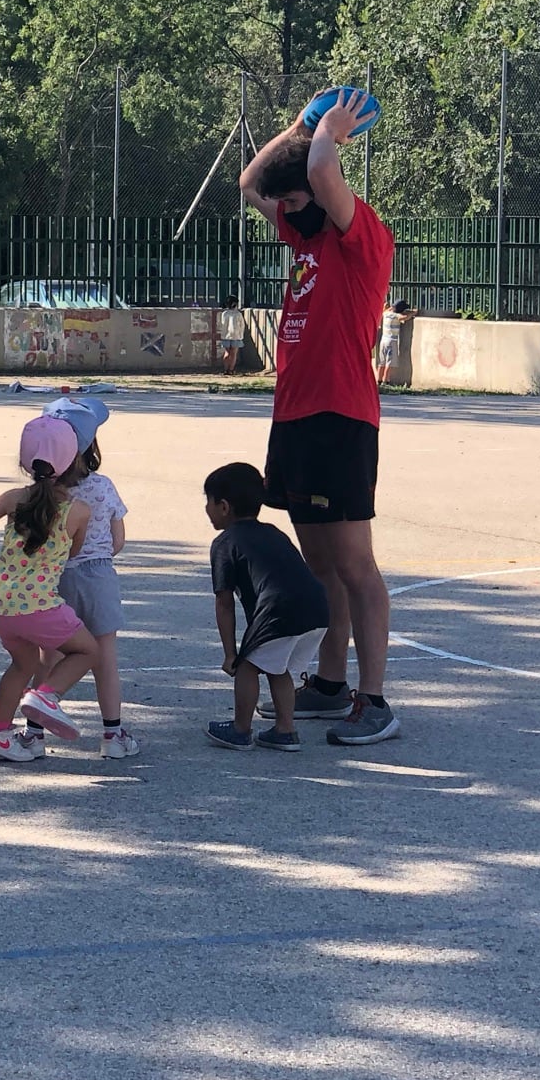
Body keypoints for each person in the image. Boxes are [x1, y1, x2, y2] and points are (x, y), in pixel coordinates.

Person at [240, 87, 400, 748]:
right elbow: (253, 182)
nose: (289, 210)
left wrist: (329, 133)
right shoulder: (303, 236)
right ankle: (330, 685)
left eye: (299, 201)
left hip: (341, 414)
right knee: (320, 564)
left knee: (356, 564)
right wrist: (300, 122)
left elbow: (320, 174)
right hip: (296, 415)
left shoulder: (361, 238)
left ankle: (376, 699)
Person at [0, 416, 100, 763]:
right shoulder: (78, 511)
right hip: (39, 606)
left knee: (21, 665)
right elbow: (74, 552)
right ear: (74, 462)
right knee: (88, 650)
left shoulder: (14, 499)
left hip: (1, 606)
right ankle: (47, 696)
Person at [202, 462, 331, 752]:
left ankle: (240, 730)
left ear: (223, 506)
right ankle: (284, 730)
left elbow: (223, 603)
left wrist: (231, 654)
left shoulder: (225, 542)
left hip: (279, 610)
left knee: (248, 666)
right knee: (277, 666)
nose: (206, 509)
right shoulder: (273, 532)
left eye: (207, 502)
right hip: (318, 607)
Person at [40, 396, 139, 760]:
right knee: (105, 657)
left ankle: (33, 732)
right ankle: (112, 734)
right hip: (96, 575)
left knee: (47, 654)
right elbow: (118, 541)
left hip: (51, 578)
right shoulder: (102, 486)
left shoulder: (44, 492)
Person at [375, 299, 413, 387]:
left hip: (383, 340)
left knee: (382, 362)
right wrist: (412, 313)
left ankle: (379, 381)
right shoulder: (396, 316)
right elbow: (405, 318)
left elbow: (386, 310)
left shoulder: (386, 314)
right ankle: (386, 381)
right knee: (389, 362)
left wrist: (389, 307)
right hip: (392, 341)